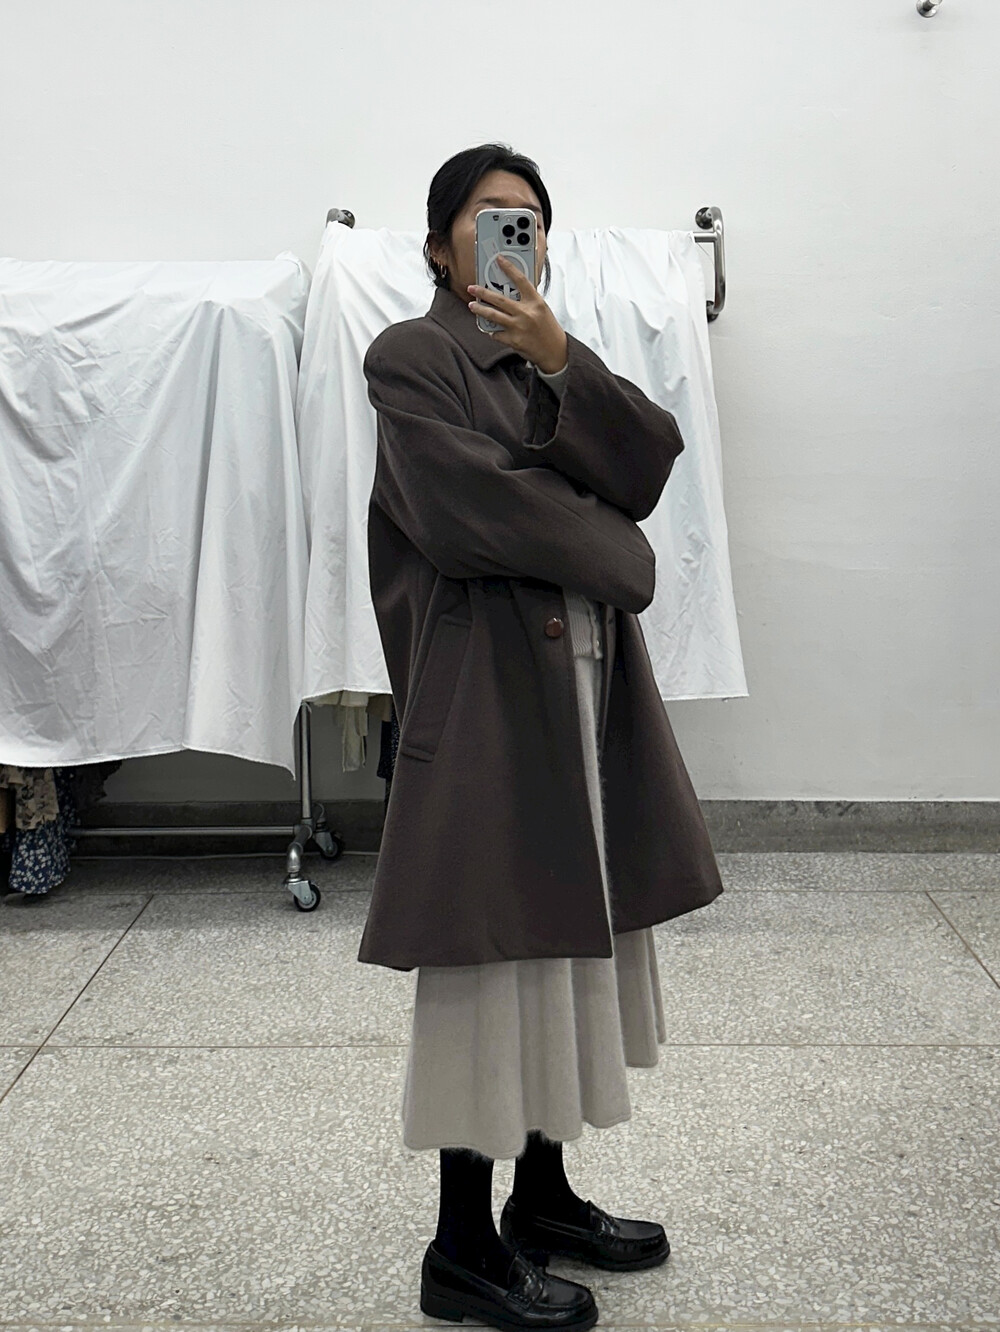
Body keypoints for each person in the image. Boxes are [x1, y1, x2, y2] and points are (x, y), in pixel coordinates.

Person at [361, 143, 724, 1331]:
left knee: (567, 950)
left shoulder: (548, 365)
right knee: (492, 962)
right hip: (490, 712)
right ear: (439, 246)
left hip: (583, 702)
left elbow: (647, 461)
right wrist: (616, 547)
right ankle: (462, 1248)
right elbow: (474, 514)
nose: (513, 235)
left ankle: (542, 1196)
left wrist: (562, 360)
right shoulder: (412, 358)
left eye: (530, 220)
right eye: (487, 217)